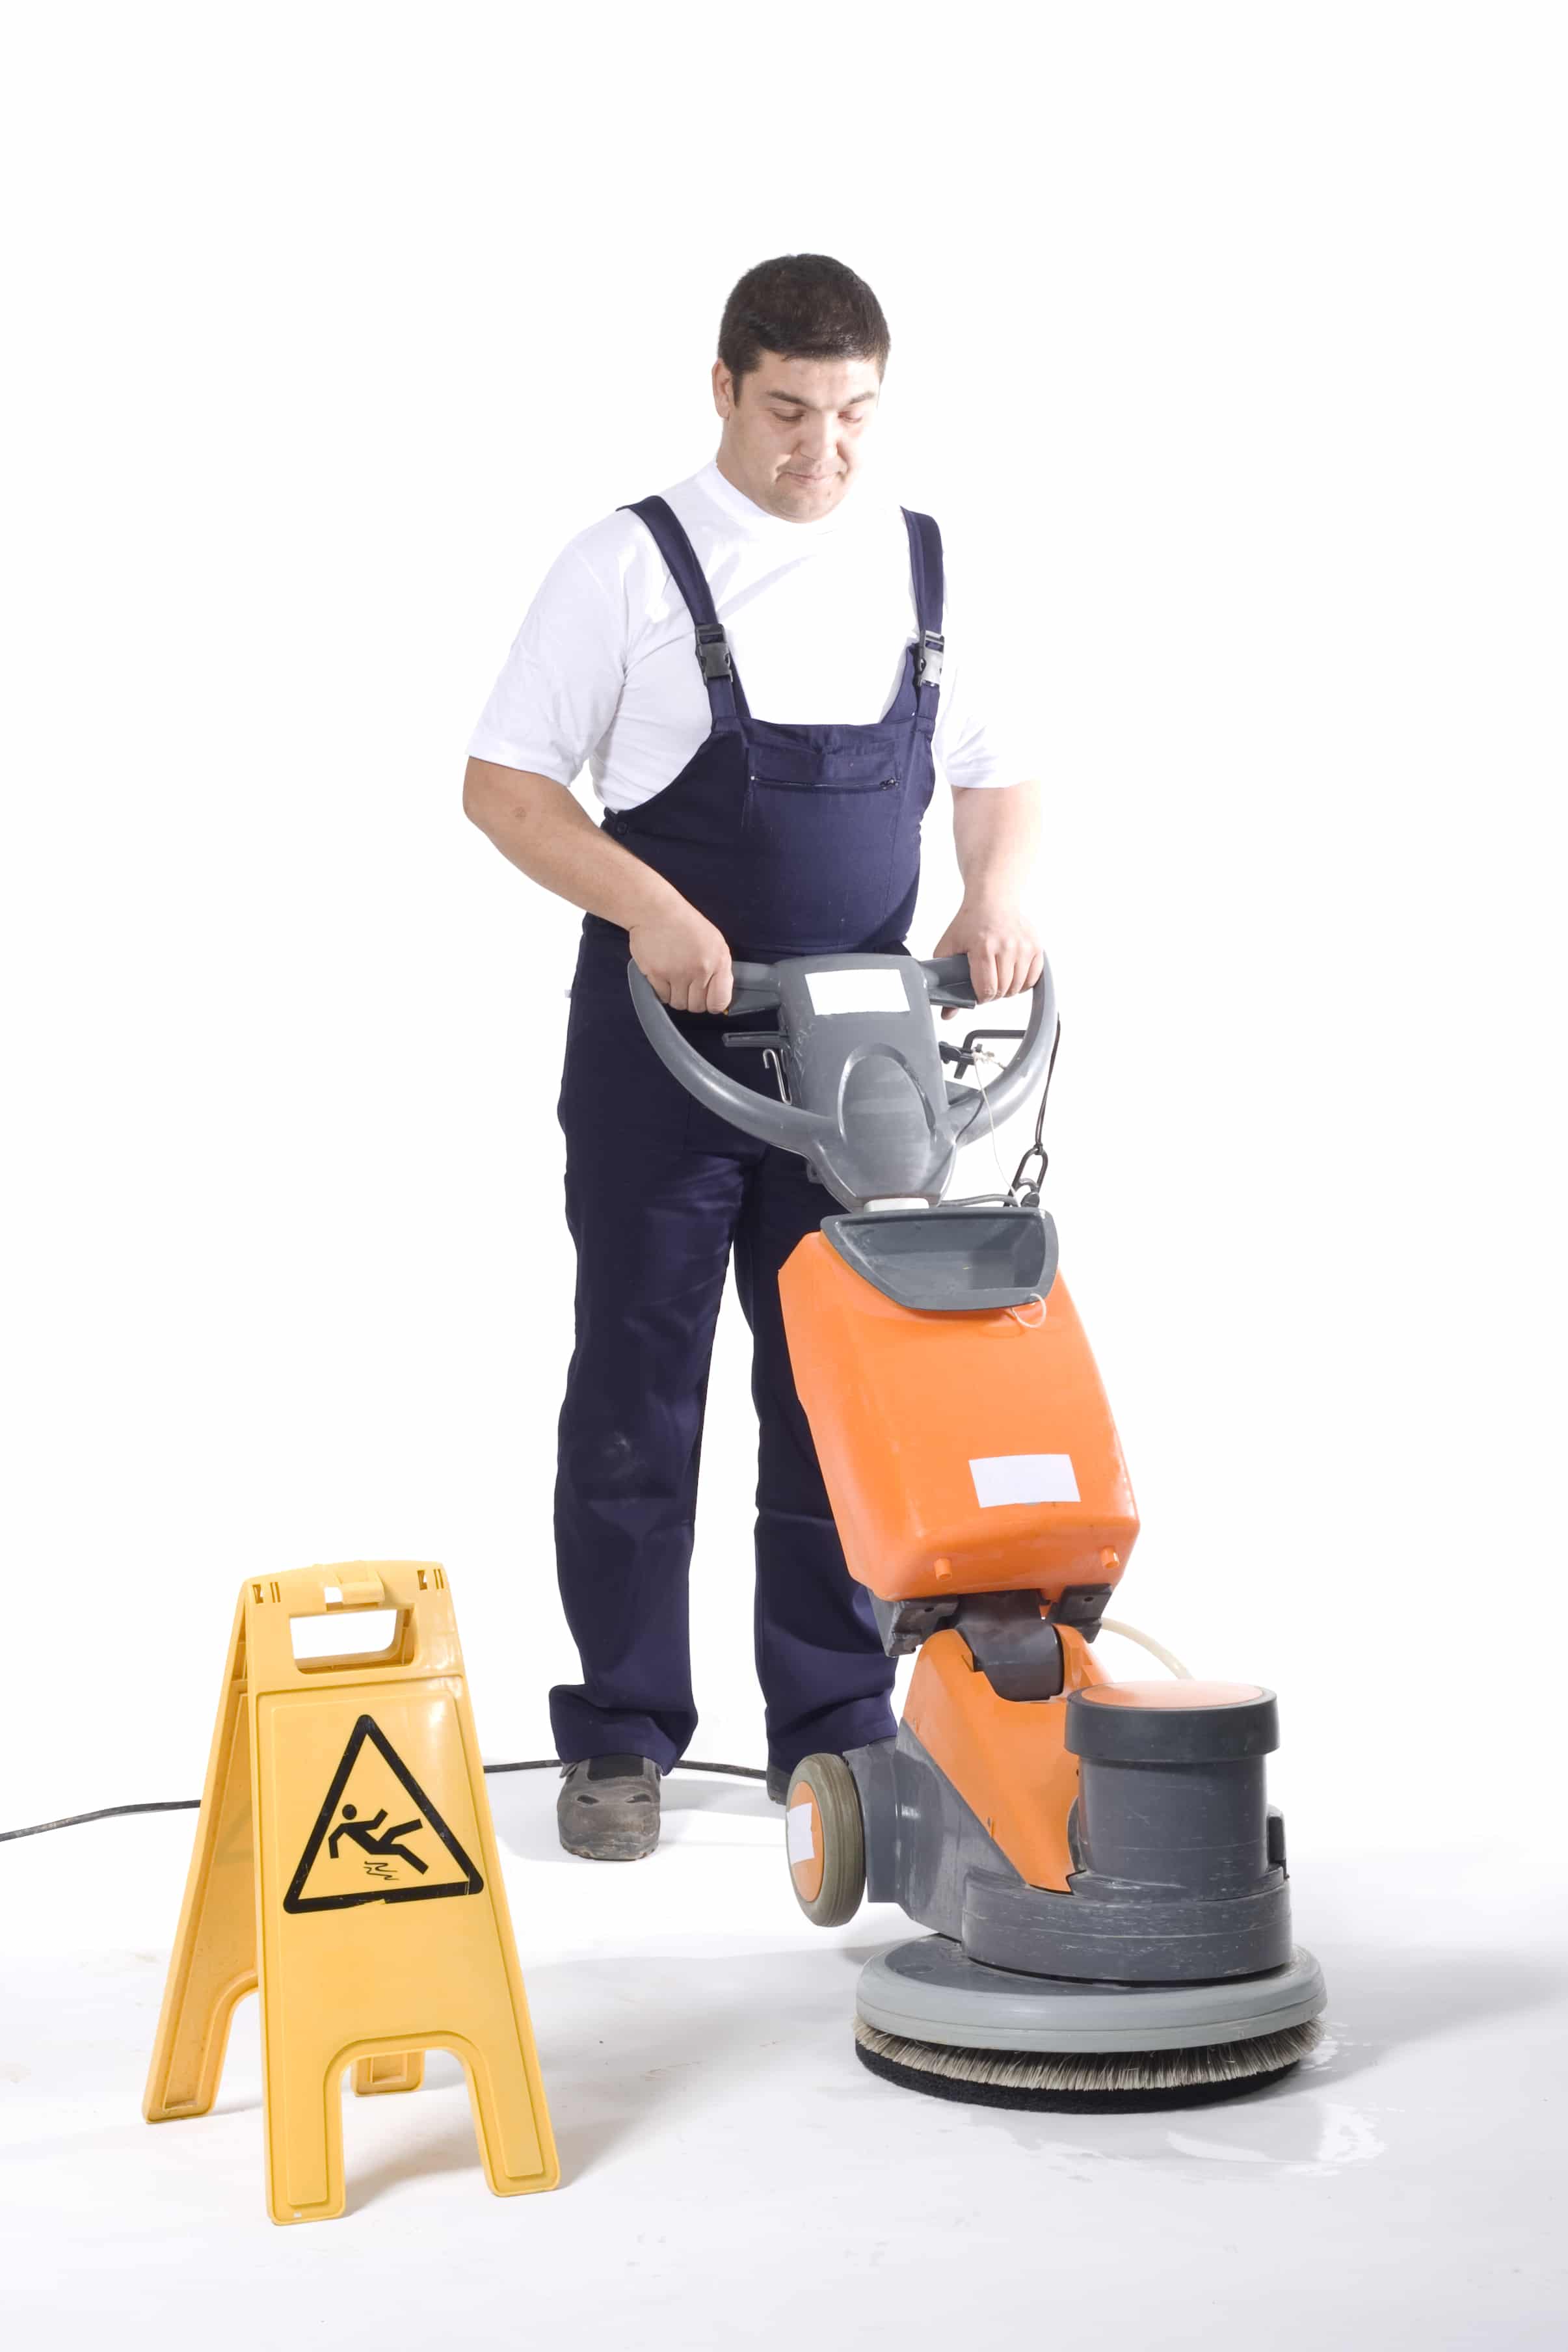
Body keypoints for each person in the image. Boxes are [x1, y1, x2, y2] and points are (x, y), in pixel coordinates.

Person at [463, 253, 1043, 1861]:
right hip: (668, 1053)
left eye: (853, 412)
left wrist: (995, 892)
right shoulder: (628, 566)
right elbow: (504, 784)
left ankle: (838, 1725)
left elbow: (996, 774)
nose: (823, 448)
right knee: (641, 1390)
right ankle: (624, 1733)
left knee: (839, 1391)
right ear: (724, 390)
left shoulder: (924, 563)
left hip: (863, 1067)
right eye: (789, 410)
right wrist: (648, 904)